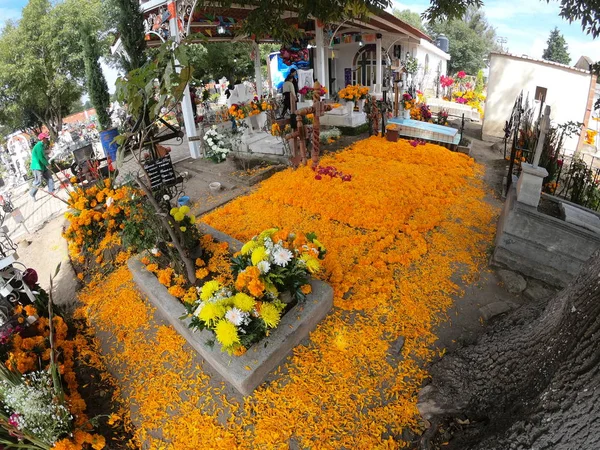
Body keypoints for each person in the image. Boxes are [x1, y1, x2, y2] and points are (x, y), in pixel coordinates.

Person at [29, 133, 54, 201]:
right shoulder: (38, 146)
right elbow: (40, 157)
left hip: (42, 165)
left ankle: (51, 191)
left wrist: (49, 152)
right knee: (38, 182)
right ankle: (32, 193)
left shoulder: (41, 145)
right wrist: (47, 164)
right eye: (46, 138)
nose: (47, 139)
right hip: (37, 166)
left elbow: (43, 154)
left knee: (49, 177)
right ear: (43, 139)